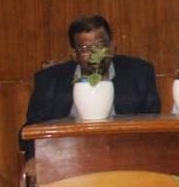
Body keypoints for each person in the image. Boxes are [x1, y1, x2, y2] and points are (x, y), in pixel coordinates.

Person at [23, 15, 161, 151]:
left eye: (100, 46)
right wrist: (39, 157)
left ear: (112, 47)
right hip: (68, 155)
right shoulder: (49, 81)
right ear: (74, 54)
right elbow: (28, 135)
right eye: (85, 49)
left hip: (124, 153)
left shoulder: (139, 74)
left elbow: (153, 128)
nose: (95, 54)